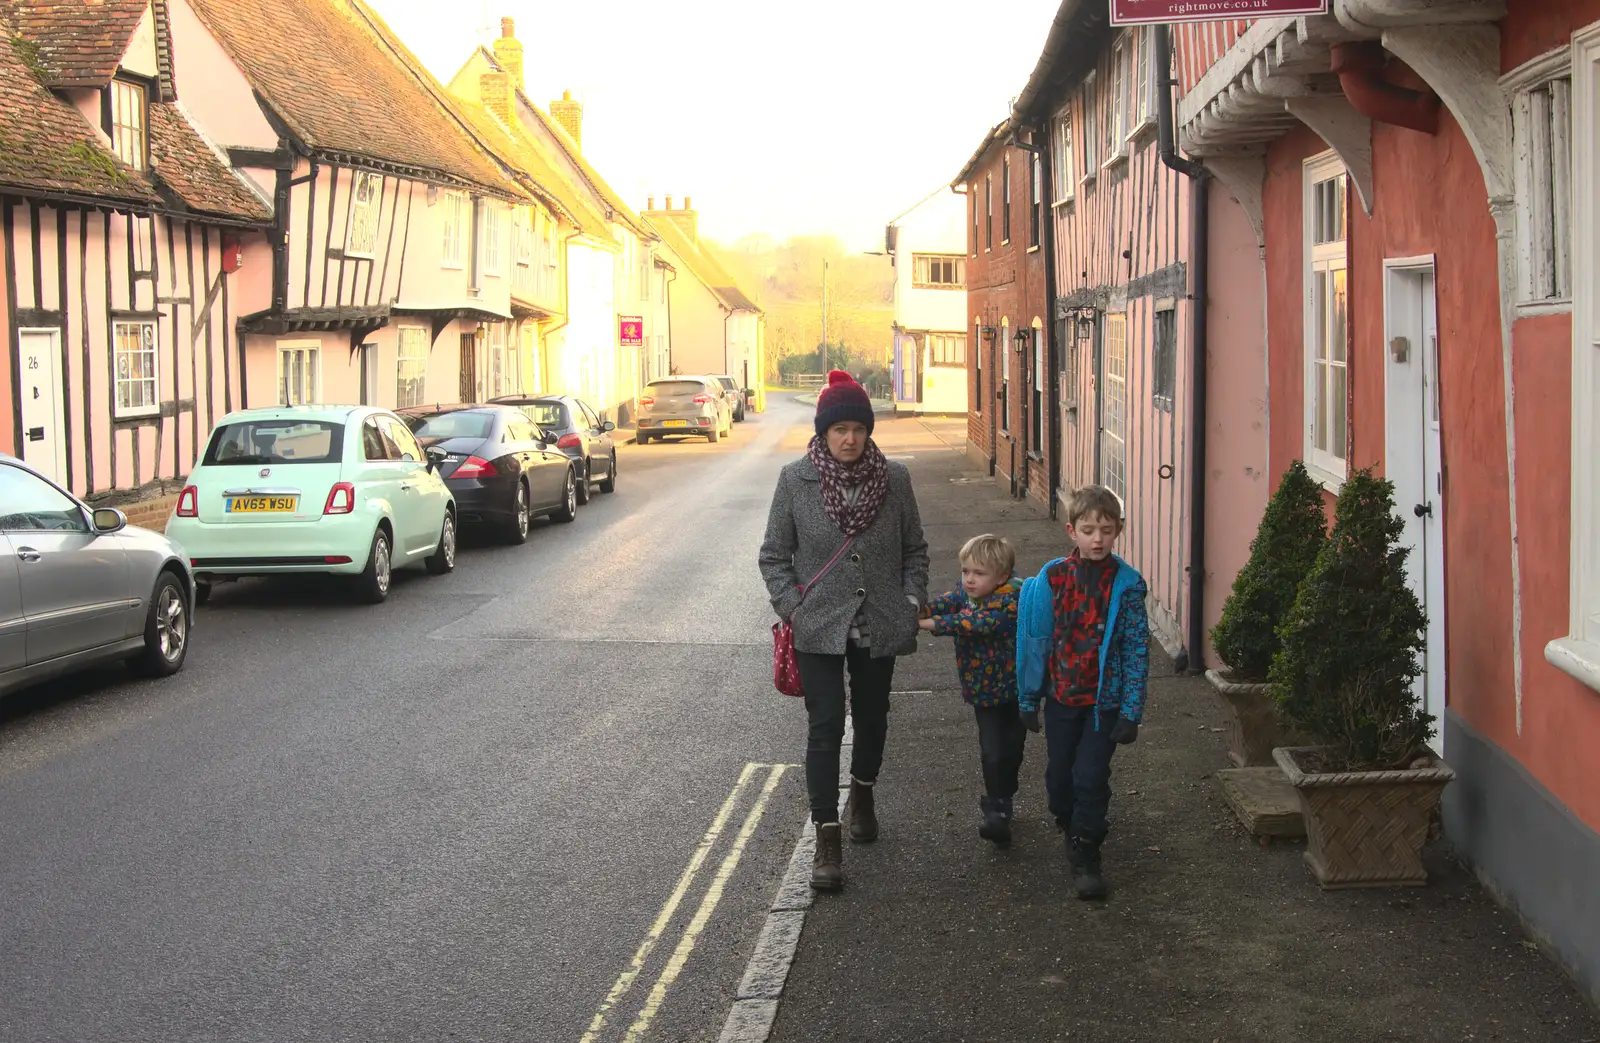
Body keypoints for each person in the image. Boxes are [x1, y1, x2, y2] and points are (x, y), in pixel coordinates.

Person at [759, 370, 930, 892]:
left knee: (874, 719)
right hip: (818, 628)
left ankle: (863, 791)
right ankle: (826, 839)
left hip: (879, 621)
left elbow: (914, 551)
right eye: (840, 429)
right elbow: (774, 556)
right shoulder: (795, 479)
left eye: (858, 427)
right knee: (826, 725)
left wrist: (909, 600)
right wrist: (794, 608)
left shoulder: (895, 479)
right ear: (823, 431)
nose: (849, 438)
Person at [1015, 485, 1149, 899]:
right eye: (1088, 530)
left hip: (1102, 705)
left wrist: (1130, 711)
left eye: (1106, 530)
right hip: (1060, 699)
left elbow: (1135, 650)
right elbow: (1033, 641)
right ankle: (1068, 821)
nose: (1097, 539)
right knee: (1060, 779)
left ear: (1118, 530)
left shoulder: (1127, 586)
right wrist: (1027, 698)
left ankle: (1087, 850)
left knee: (1090, 777)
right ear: (1071, 530)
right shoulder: (1051, 578)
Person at [918, 533, 1023, 848]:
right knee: (991, 750)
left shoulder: (1010, 600)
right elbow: (945, 603)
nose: (969, 580)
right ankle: (996, 810)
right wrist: (920, 611)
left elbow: (977, 623)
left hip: (1016, 690)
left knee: (1012, 750)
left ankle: (1006, 791)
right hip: (983, 692)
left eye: (979, 573)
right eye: (966, 572)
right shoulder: (964, 594)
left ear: (1001, 577)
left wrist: (931, 625)